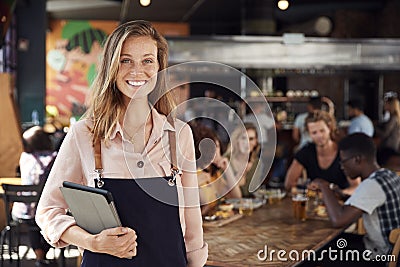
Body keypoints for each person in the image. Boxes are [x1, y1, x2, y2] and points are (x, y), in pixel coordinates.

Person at [36, 20, 207, 266]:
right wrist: (92, 242)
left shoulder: (178, 134)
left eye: (147, 60)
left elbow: (192, 219)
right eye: (125, 60)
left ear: (159, 67)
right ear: (111, 68)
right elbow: (48, 211)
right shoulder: (84, 134)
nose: (137, 71)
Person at [312, 133, 400, 266]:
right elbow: (366, 202)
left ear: (357, 159)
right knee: (331, 243)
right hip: (391, 251)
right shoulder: (387, 175)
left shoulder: (372, 185)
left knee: (314, 255)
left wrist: (324, 186)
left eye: (343, 161)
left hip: (380, 257)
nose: (342, 166)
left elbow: (338, 220)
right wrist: (341, 194)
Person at [285, 110, 360, 196]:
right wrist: (306, 188)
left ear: (330, 128)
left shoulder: (345, 152)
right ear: (309, 134)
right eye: (314, 133)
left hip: (342, 203)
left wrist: (337, 194)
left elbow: (356, 187)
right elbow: (288, 185)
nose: (319, 136)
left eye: (322, 131)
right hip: (316, 204)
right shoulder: (306, 152)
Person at [12, 126, 56, 267]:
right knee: (53, 221)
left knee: (33, 223)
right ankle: (43, 257)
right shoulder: (54, 158)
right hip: (47, 209)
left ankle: (40, 258)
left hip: (24, 209)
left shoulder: (25, 158)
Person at [190, 122, 242, 216]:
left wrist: (227, 168)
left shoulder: (214, 173)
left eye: (217, 147)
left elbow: (236, 197)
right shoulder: (196, 174)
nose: (216, 153)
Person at [224, 123, 263, 198]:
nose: (247, 143)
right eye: (243, 138)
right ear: (237, 140)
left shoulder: (256, 163)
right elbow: (225, 194)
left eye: (251, 139)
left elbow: (254, 193)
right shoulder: (225, 161)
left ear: (255, 142)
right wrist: (241, 174)